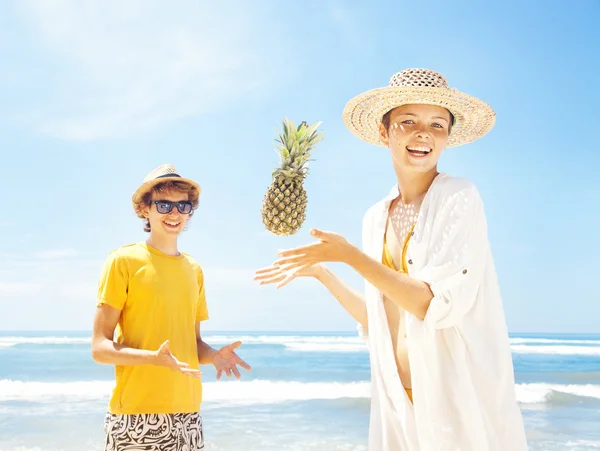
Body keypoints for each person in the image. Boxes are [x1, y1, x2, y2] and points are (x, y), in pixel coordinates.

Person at [254, 68, 528, 450]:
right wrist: (323, 273)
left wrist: (350, 255)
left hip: (453, 401)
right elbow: (379, 318)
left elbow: (432, 304)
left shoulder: (459, 197)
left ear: (447, 137)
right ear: (384, 132)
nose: (424, 134)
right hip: (397, 405)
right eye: (408, 121)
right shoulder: (375, 216)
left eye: (437, 125)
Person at [92, 164, 251, 451]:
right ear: (145, 209)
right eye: (164, 204)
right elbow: (99, 348)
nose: (174, 213)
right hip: (135, 417)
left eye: (183, 205)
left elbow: (194, 344)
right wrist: (153, 358)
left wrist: (214, 356)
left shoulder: (194, 269)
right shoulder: (123, 261)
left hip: (188, 418)